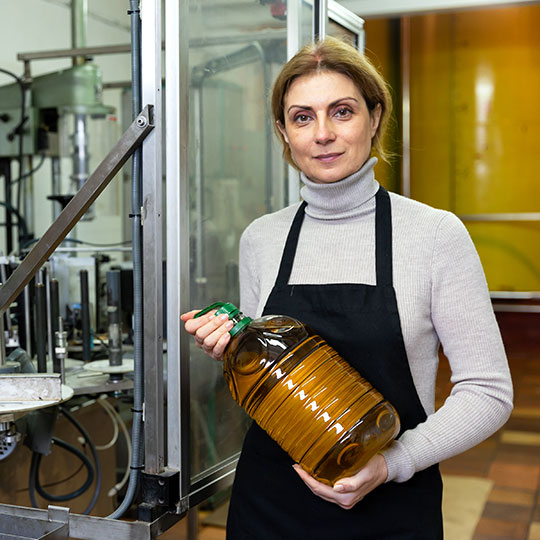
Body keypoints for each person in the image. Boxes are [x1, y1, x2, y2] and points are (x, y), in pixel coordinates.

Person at [182, 36, 513, 539]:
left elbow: (488, 392)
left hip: (392, 501)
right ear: (283, 131)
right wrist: (229, 347)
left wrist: (392, 462)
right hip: (270, 502)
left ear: (375, 118)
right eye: (302, 117)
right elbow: (270, 376)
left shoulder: (434, 235)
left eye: (341, 111)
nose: (322, 134)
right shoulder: (262, 238)